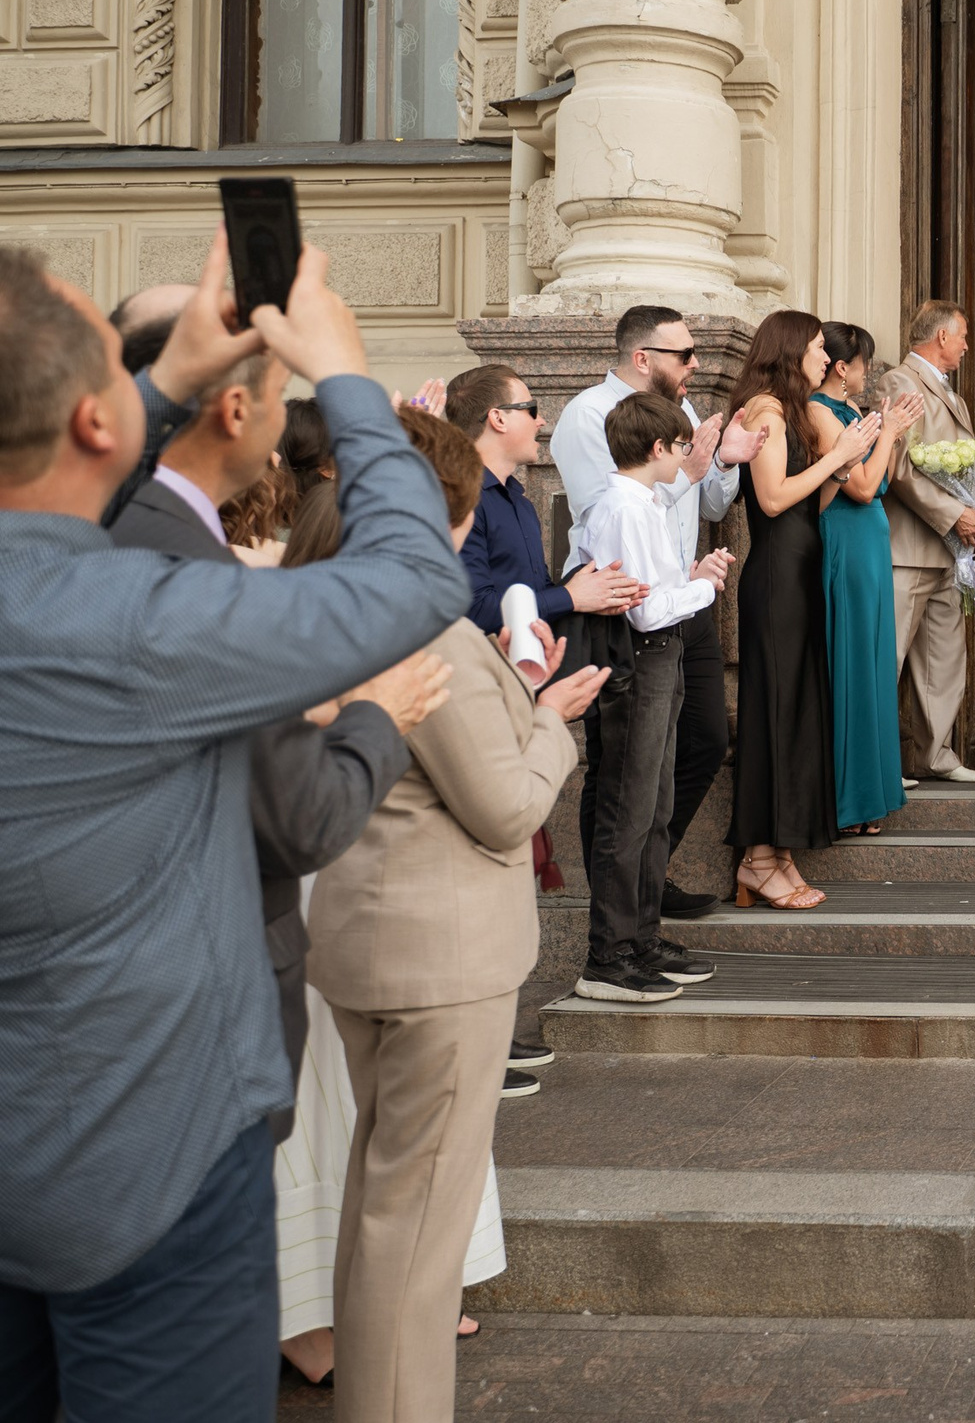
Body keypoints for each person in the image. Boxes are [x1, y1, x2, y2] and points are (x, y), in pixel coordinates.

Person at [0, 235, 467, 1421]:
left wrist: (155, 387)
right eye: (119, 361)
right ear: (96, 428)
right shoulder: (136, 611)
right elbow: (415, 576)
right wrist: (349, 376)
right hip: (145, 1157)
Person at [309, 406, 601, 1423]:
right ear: (457, 499)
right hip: (440, 957)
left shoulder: (340, 600)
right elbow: (504, 805)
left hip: (370, 934)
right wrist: (552, 720)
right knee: (417, 1234)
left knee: (383, 1206)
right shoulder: (425, 619)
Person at [552, 306, 765, 919]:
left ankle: (645, 877)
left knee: (702, 737)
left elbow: (710, 502)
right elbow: (610, 510)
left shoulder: (687, 411)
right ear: (643, 358)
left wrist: (726, 462)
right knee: (616, 761)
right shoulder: (588, 414)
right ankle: (615, 896)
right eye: (684, 354)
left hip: (683, 596)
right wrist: (691, 470)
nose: (696, 364)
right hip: (624, 603)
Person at [571, 391, 734, 1001]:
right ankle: (607, 955)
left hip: (657, 658)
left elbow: (654, 584)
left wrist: (689, 579)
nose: (686, 458)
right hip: (642, 659)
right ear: (657, 448)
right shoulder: (625, 508)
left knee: (655, 804)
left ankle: (641, 938)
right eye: (682, 447)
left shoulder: (638, 503)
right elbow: (642, 610)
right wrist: (704, 590)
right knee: (629, 809)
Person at [729, 310, 880, 906]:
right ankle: (758, 859)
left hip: (802, 566)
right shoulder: (765, 408)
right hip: (774, 577)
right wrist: (836, 454)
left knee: (796, 712)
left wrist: (846, 461)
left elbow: (808, 508)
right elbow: (769, 501)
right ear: (792, 349)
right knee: (775, 711)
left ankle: (780, 855)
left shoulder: (787, 411)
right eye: (818, 348)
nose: (825, 358)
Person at [878, 300, 975, 784]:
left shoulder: (955, 398)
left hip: (952, 555)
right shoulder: (899, 382)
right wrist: (951, 514)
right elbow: (897, 467)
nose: (965, 346)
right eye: (962, 336)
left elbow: (970, 468)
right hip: (910, 547)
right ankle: (878, 765)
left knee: (944, 657)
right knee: (890, 657)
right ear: (941, 337)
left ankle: (936, 756)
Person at [817, 321, 928, 833]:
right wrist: (889, 433)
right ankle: (852, 800)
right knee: (856, 661)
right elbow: (861, 488)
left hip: (870, 541)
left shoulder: (852, 411)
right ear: (843, 368)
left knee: (875, 661)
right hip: (849, 537)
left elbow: (879, 479)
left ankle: (871, 793)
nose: (868, 372)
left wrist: (888, 435)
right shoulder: (823, 413)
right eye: (864, 363)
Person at [449, 362, 642, 637]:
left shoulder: (520, 503)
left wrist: (592, 595)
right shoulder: (461, 500)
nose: (540, 421)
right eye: (531, 410)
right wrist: (571, 597)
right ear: (498, 419)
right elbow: (476, 611)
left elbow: (537, 594)